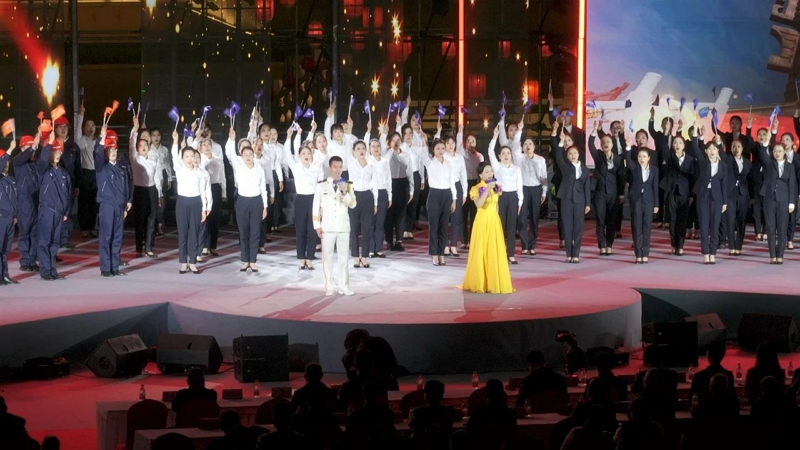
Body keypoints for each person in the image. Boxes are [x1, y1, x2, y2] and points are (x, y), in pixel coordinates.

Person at [460, 161, 513, 294]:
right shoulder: (476, 188)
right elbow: (479, 204)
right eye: (486, 172)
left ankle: (493, 282)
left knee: (494, 251)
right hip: (482, 221)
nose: (490, 174)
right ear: (480, 175)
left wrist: (497, 218)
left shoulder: (497, 187)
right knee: (481, 251)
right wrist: (488, 189)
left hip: (494, 221)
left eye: (491, 171)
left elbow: (496, 204)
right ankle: (479, 282)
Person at [225, 129, 269, 272]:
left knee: (255, 232)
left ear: (253, 155)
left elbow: (263, 188)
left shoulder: (259, 168)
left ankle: (253, 260)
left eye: (250, 154)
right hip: (242, 201)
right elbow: (231, 154)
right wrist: (232, 139)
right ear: (242, 156)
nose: (248, 157)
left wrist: (265, 206)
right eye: (245, 155)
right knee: (243, 231)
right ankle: (245, 260)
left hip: (256, 201)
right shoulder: (238, 167)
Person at [314, 156, 357, 296]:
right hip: (327, 226)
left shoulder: (348, 184)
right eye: (335, 167)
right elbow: (315, 207)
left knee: (343, 259)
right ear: (330, 168)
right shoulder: (321, 185)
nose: (338, 170)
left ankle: (344, 286)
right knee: (328, 258)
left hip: (343, 226)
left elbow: (353, 204)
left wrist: (344, 192)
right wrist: (317, 225)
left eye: (340, 167)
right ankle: (330, 286)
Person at [94, 126, 132, 277]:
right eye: (110, 150)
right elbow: (97, 153)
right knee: (106, 237)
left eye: (115, 150)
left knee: (117, 237)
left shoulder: (121, 167)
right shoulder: (101, 167)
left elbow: (127, 185)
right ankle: (105, 268)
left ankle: (114, 267)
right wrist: (102, 139)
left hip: (120, 206)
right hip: (107, 206)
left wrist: (128, 201)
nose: (113, 152)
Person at [689, 124, 728, 264]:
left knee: (715, 227)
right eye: (709, 149)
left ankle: (713, 253)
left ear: (718, 150)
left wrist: (724, 202)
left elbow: (724, 184)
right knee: (704, 226)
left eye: (714, 149)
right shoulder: (702, 161)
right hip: (703, 196)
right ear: (705, 151)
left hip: (717, 198)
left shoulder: (723, 165)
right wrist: (696, 134)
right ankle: (705, 253)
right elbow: (695, 148)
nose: (712, 151)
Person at [286, 124, 323, 269]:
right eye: (303, 153)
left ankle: (310, 257)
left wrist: (321, 205)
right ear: (299, 156)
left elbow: (321, 187)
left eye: (308, 153)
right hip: (301, 200)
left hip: (314, 200)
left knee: (313, 229)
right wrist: (289, 137)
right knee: (300, 229)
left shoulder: (316, 168)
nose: (306, 155)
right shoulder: (296, 167)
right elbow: (287, 154)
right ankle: (302, 258)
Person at [758, 129, 796, 264]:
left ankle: (780, 255)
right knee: (770, 228)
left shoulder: (790, 167)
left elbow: (792, 185)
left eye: (780, 151)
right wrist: (766, 142)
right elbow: (763, 154)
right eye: (775, 151)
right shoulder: (769, 164)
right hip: (769, 199)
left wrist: (792, 202)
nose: (777, 153)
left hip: (783, 200)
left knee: (782, 228)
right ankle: (772, 255)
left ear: (784, 152)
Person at [171, 134, 207, 274]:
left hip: (196, 203)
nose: (190, 159)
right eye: (186, 156)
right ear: (182, 158)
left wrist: (204, 209)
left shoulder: (200, 173)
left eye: (192, 156)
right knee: (183, 234)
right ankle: (183, 262)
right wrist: (175, 142)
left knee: (194, 233)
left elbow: (203, 192)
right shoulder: (179, 169)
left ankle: (192, 262)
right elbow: (174, 156)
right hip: (182, 203)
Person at [37, 134, 72, 280]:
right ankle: (46, 271)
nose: (57, 155)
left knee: (55, 242)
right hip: (47, 210)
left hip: (59, 213)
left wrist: (66, 212)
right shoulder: (43, 170)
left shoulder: (64, 173)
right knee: (45, 241)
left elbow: (68, 194)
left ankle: (52, 270)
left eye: (59, 152)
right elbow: (42, 160)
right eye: (54, 152)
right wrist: (49, 144)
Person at [554, 128, 591, 263]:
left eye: (575, 153)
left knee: (578, 228)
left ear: (578, 154)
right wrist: (561, 142)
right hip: (566, 199)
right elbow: (558, 156)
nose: (573, 155)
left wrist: (588, 203)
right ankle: (568, 254)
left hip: (580, 200)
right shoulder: (565, 167)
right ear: (567, 156)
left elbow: (587, 187)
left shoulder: (585, 169)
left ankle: (576, 254)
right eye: (570, 154)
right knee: (567, 226)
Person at [487, 127, 524, 264]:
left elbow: (520, 186)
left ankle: (511, 254)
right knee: (500, 225)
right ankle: (500, 253)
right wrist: (494, 137)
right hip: (500, 196)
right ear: (499, 156)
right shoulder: (497, 167)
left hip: (513, 197)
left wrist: (520, 202)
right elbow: (490, 152)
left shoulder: (516, 169)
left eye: (508, 153)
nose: (506, 155)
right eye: (503, 153)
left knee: (511, 226)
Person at [588, 122, 623, 256]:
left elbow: (620, 178)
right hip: (600, 193)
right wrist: (594, 131)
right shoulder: (598, 156)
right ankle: (602, 245)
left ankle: (609, 244)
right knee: (600, 219)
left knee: (611, 220)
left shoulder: (618, 159)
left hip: (613, 194)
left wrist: (621, 194)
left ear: (612, 144)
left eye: (608, 142)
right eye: (603, 142)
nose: (606, 144)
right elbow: (590, 145)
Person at [130, 117, 163, 259]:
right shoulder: (135, 159)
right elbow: (131, 143)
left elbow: (158, 177)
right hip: (139, 191)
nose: (143, 147)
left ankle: (149, 248)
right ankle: (139, 248)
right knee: (140, 220)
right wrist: (135, 129)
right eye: (140, 145)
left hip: (152, 190)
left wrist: (159, 193)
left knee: (151, 219)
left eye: (145, 145)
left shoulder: (154, 158)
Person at [422, 138, 456, 266]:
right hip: (434, 195)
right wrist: (424, 141)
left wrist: (454, 199)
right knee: (434, 227)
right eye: (438, 148)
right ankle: (434, 254)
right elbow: (423, 153)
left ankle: (441, 253)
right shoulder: (429, 162)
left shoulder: (449, 163)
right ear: (433, 150)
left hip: (447, 195)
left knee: (444, 227)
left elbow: (452, 181)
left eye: (442, 148)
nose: (441, 151)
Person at [345, 136, 377, 269]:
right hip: (354, 196)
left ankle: (364, 256)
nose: (361, 150)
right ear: (353, 152)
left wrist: (375, 203)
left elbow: (375, 185)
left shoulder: (371, 166)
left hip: (367, 197)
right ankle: (355, 257)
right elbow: (347, 143)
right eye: (358, 149)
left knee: (367, 228)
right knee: (354, 228)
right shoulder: (351, 164)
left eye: (363, 148)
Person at [660, 134, 695, 256]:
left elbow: (692, 178)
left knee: (682, 220)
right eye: (675, 143)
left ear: (684, 145)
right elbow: (664, 147)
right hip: (671, 192)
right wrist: (666, 133)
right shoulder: (669, 157)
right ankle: (673, 244)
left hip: (684, 193)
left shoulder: (690, 159)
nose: (677, 145)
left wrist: (692, 195)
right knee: (672, 220)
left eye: (680, 143)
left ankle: (680, 246)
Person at [624, 144, 659, 264]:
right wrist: (628, 148)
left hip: (649, 201)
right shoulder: (635, 168)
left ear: (649, 158)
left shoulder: (654, 170)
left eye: (644, 156)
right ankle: (638, 254)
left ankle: (646, 254)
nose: (642, 159)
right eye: (639, 156)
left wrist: (656, 204)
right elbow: (627, 159)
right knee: (636, 226)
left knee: (647, 227)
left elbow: (655, 187)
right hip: (636, 200)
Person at [10, 135, 40, 273]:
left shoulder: (35, 164)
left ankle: (32, 260)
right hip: (24, 202)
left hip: (35, 201)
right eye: (28, 147)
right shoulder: (18, 162)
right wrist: (32, 147)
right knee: (25, 233)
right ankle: (25, 261)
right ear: (22, 148)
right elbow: (23, 157)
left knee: (35, 234)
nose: (32, 149)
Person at [514, 136, 548, 256]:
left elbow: (544, 177)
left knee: (534, 218)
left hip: (536, 188)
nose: (528, 146)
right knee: (522, 218)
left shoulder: (540, 160)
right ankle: (524, 246)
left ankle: (532, 245)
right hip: (523, 188)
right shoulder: (519, 158)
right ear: (522, 147)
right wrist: (519, 131)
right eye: (525, 144)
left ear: (534, 146)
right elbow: (515, 146)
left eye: (530, 144)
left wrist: (544, 192)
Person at [438, 127, 468, 257]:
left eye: (452, 143)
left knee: (456, 218)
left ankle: (454, 245)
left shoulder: (459, 158)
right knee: (445, 218)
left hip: (457, 186)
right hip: (445, 187)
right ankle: (445, 245)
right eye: (448, 143)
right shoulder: (442, 157)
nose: (451, 145)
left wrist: (465, 193)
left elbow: (463, 176)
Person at [53, 115, 81, 250]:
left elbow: (78, 168)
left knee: (67, 212)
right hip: (54, 184)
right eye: (60, 127)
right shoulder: (51, 145)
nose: (63, 130)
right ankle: (55, 240)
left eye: (65, 127)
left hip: (69, 185)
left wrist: (77, 186)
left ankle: (64, 240)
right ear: (55, 129)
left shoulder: (73, 146)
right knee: (55, 212)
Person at [383, 130, 414, 251]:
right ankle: (389, 240)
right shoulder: (387, 154)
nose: (396, 143)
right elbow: (385, 162)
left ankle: (399, 240)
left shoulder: (406, 155)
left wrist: (411, 190)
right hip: (390, 184)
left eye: (398, 140)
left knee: (401, 214)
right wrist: (391, 150)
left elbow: (410, 173)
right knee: (389, 214)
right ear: (389, 142)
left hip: (402, 184)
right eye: (393, 140)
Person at [721, 138, 752, 256]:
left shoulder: (747, 162)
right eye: (734, 146)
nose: (736, 149)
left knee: (741, 221)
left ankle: (738, 246)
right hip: (730, 194)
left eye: (738, 146)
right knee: (730, 220)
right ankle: (731, 246)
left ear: (742, 148)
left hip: (743, 194)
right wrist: (718, 143)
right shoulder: (728, 160)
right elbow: (721, 154)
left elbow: (751, 179)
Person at [343, 382, 396, 449]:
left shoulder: (354, 416)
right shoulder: (387, 414)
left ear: (363, 395)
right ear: (379, 395)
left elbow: (347, 439)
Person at [466, 379, 517, 446]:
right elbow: (512, 437)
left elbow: (469, 433)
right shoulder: (510, 414)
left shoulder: (477, 415)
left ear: (487, 394)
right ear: (502, 394)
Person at [74, 104, 98, 238]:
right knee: (83, 202)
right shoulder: (81, 140)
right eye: (88, 126)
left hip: (95, 173)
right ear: (84, 128)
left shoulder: (98, 141)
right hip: (84, 173)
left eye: (92, 125)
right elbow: (77, 130)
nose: (90, 128)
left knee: (93, 203)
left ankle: (92, 227)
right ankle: (83, 228)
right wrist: (81, 115)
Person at [458, 129, 484, 250]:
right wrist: (460, 132)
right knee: (463, 213)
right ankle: (464, 241)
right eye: (468, 141)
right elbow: (458, 144)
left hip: (476, 184)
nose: (470, 143)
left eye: (473, 141)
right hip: (464, 184)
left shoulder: (480, 156)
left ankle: (473, 239)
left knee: (474, 214)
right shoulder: (462, 154)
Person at [408, 380, 454, 449]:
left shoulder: (418, 412)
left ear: (425, 395)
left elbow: (414, 429)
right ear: (442, 395)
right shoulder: (449, 411)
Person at [366, 138, 390, 258]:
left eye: (378, 146)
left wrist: (390, 195)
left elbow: (388, 179)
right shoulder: (367, 161)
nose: (376, 148)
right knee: (371, 223)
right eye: (373, 146)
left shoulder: (385, 162)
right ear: (369, 149)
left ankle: (379, 249)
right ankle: (371, 249)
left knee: (380, 222)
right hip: (371, 193)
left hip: (382, 193)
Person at [150, 128, 174, 237]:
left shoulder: (164, 150)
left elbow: (168, 164)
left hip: (163, 175)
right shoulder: (148, 149)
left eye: (158, 135)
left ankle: (159, 226)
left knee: (161, 202)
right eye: (153, 135)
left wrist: (169, 178)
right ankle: (152, 225)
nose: (156, 137)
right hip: (152, 176)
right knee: (152, 202)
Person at [0, 144, 18, 285]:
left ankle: (4, 275)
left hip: (10, 218)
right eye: (3, 161)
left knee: (5, 249)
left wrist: (16, 215)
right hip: (1, 217)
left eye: (7, 161)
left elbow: (15, 198)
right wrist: (10, 150)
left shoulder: (10, 178)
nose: (6, 163)